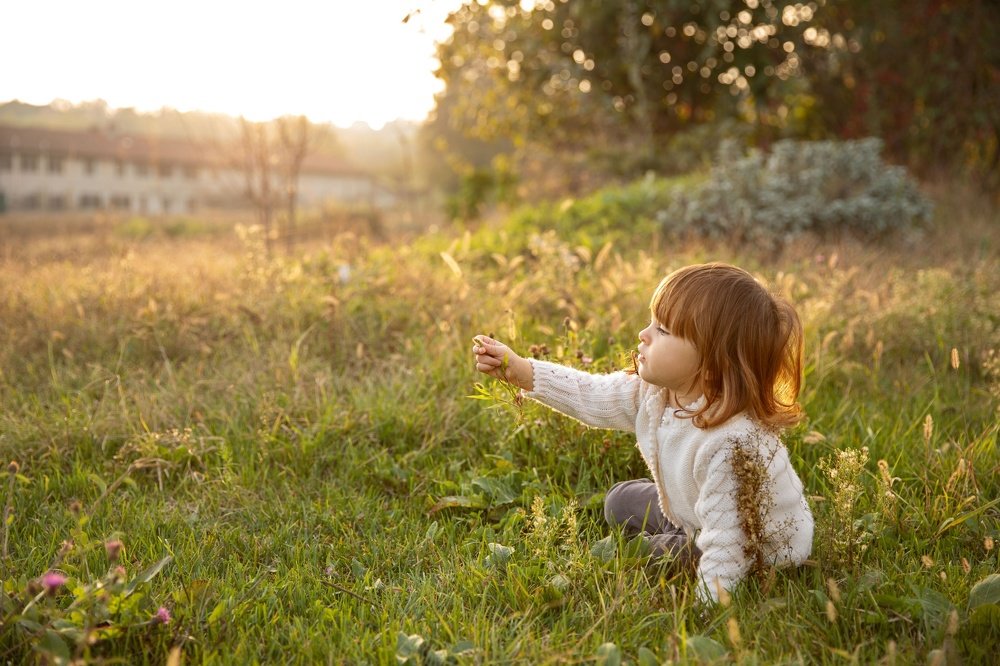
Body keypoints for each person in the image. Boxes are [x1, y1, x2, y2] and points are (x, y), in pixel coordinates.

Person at [471, 262, 813, 603]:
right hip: (694, 514)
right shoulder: (657, 393)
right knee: (619, 500)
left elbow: (729, 545)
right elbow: (591, 394)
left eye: (662, 330)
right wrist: (522, 371)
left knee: (648, 552)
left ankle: (682, 548)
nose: (643, 334)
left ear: (711, 365)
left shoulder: (732, 443)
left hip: (755, 549)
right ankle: (680, 534)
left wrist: (709, 611)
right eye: (652, 322)